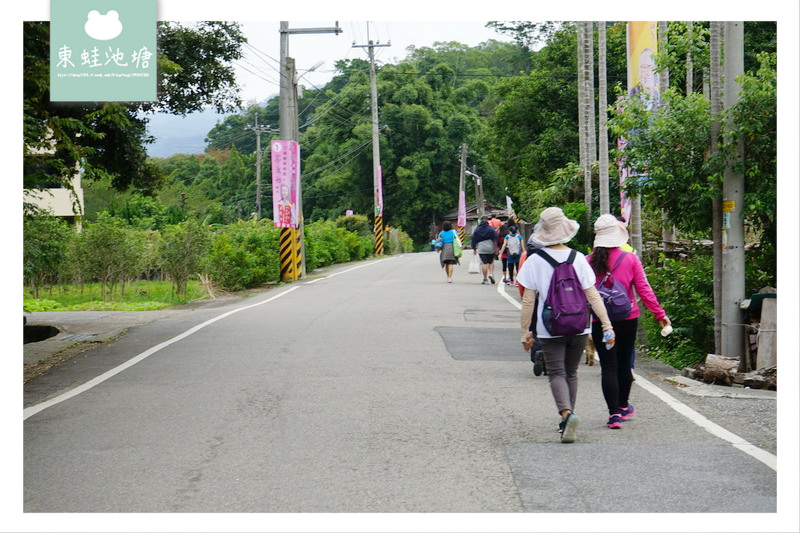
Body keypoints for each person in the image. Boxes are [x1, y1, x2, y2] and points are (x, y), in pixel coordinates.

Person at [516, 207, 616, 443]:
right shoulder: (579, 258)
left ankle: (566, 414)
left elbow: (529, 299)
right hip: (580, 325)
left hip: (549, 327)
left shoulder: (534, 261)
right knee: (571, 372)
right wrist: (607, 324)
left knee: (557, 373)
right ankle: (567, 418)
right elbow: (593, 295)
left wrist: (525, 332)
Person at [586, 214, 671, 429]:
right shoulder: (630, 259)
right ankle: (623, 406)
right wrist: (659, 314)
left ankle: (613, 414)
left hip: (600, 320)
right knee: (624, 363)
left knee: (608, 366)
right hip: (627, 318)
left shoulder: (587, 261)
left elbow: (582, 294)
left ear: (597, 236)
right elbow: (644, 289)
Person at [471, 215, 498, 284]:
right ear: (487, 221)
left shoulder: (477, 229)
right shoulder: (491, 229)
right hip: (490, 246)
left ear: (481, 221)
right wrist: (496, 248)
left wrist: (474, 248)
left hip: (482, 247)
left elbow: (474, 239)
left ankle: (485, 279)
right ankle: (491, 273)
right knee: (491, 262)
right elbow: (495, 239)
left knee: (484, 263)